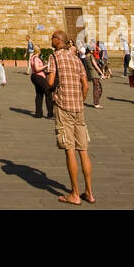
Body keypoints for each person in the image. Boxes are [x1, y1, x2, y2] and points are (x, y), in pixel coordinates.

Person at [46, 30, 94, 205]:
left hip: (63, 107)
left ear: (58, 41)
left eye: (52, 38)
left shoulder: (55, 57)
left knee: (70, 150)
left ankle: (74, 194)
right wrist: (80, 100)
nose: (51, 40)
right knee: (83, 150)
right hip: (78, 108)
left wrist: (50, 89)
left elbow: (51, 82)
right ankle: (89, 192)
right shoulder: (76, 58)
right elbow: (86, 85)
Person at [28, 42, 54, 118]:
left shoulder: (32, 57)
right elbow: (37, 68)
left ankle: (38, 113)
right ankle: (50, 113)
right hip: (38, 77)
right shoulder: (36, 58)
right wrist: (46, 66)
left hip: (35, 76)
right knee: (48, 92)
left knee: (39, 94)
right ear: (39, 51)